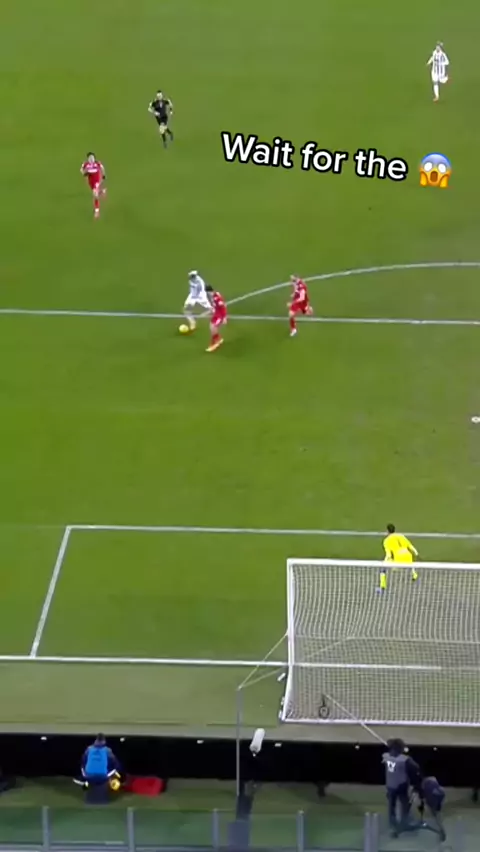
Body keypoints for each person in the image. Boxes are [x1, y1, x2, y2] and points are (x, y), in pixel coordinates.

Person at [382, 738, 422, 837]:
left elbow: (386, 756)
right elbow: (416, 767)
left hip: (390, 786)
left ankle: (393, 825)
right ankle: (404, 823)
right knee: (405, 805)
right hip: (401, 785)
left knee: (392, 807)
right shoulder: (405, 759)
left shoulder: (386, 756)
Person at [418, 776, 446, 842]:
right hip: (441, 794)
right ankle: (439, 824)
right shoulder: (432, 779)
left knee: (434, 813)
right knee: (437, 812)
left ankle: (440, 828)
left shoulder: (423, 786)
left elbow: (423, 798)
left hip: (433, 795)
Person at [80, 153, 107, 219]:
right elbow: (81, 170)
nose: (91, 159)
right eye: (90, 158)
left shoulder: (97, 163)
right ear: (88, 159)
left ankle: (97, 211)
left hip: (96, 181)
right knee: (95, 192)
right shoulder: (85, 164)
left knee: (95, 195)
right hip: (90, 182)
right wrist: (84, 173)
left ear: (94, 158)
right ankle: (102, 191)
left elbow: (102, 168)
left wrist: (103, 175)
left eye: (92, 157)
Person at [205, 286, 227, 352]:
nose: (207, 294)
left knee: (213, 327)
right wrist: (213, 310)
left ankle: (214, 343)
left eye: (207, 292)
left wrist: (224, 317)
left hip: (220, 316)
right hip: (216, 314)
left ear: (209, 291)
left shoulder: (217, 298)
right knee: (211, 327)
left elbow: (223, 307)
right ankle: (218, 339)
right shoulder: (214, 295)